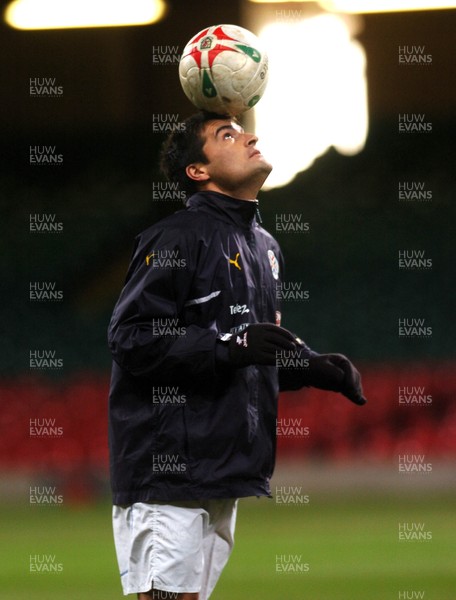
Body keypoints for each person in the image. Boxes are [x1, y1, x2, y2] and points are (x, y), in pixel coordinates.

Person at [107, 111, 367, 600]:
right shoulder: (175, 238)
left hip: (222, 464)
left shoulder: (264, 246)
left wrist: (306, 365)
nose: (250, 136)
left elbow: (247, 351)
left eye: (243, 129)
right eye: (227, 135)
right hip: (167, 466)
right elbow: (131, 337)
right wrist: (232, 346)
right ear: (197, 171)